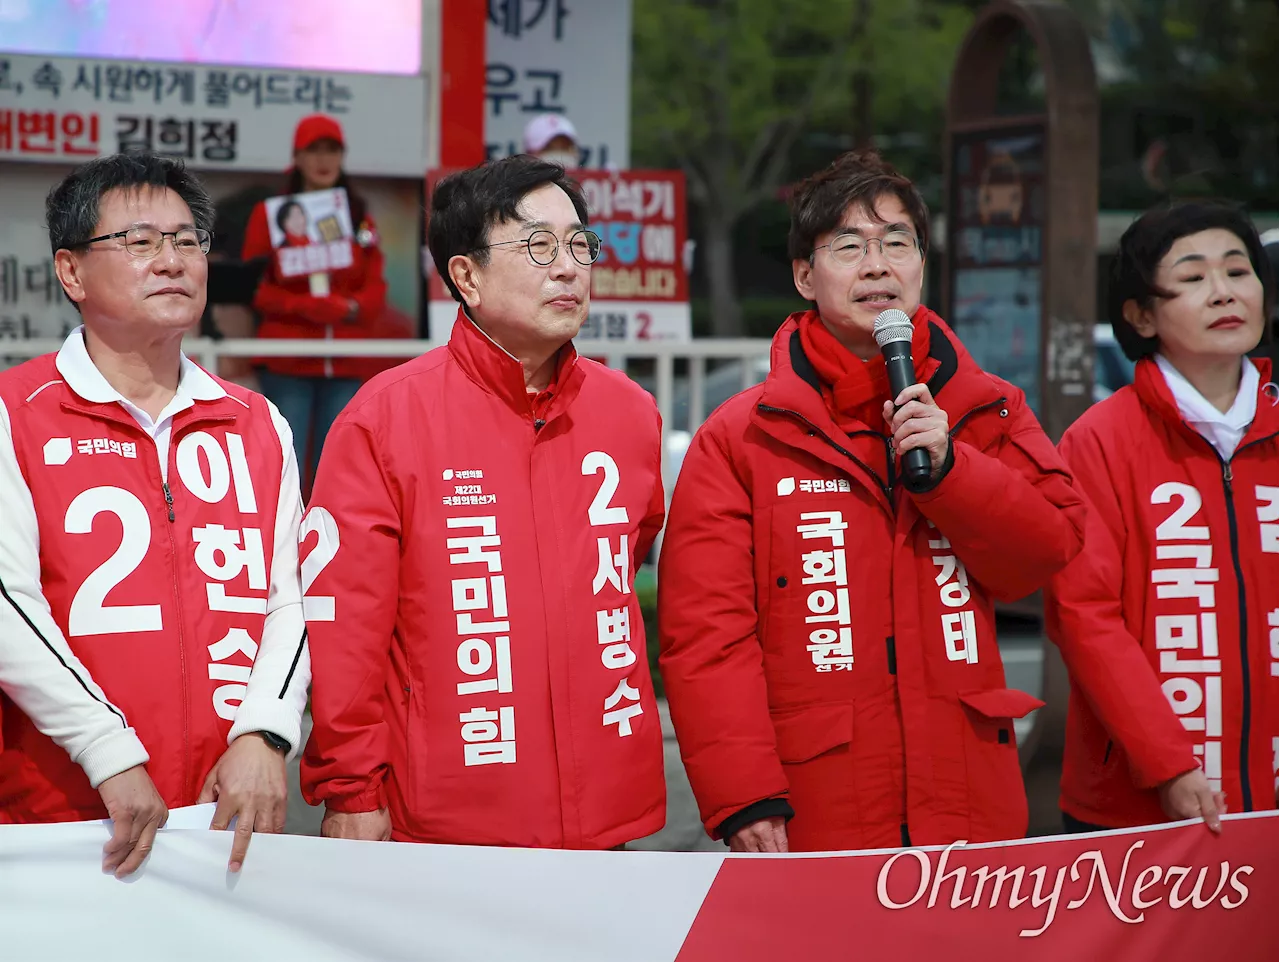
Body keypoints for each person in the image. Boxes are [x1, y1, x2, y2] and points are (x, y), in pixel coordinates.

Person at [658, 149, 1087, 853]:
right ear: (805, 275)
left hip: (967, 798)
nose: (878, 265)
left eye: (897, 243)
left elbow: (1047, 552)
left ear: (922, 265)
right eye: (849, 246)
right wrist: (743, 793)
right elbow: (707, 635)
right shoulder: (742, 438)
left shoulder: (987, 410)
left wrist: (953, 470)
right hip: (818, 807)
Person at [299, 155, 667, 848]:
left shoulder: (629, 413)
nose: (567, 267)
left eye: (578, 243)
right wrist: (351, 789)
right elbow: (345, 629)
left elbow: (622, 568)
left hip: (607, 813)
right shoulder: (386, 417)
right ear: (466, 276)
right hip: (448, 823)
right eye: (537, 245)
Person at [0, 152, 310, 876]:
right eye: (140, 243)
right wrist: (107, 753)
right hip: (65, 821)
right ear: (71, 272)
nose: (171, 260)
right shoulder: (16, 413)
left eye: (187, 240)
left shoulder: (257, 422)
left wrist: (266, 734)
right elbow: (7, 603)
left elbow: (292, 598)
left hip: (227, 819)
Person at [1044, 201, 1280, 834]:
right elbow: (1084, 616)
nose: (1224, 293)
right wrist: (1167, 764)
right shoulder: (1101, 439)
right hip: (1138, 808)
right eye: (1194, 277)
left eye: (1239, 271)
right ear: (1141, 315)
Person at [241, 114, 389, 485]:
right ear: (297, 157)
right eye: (314, 150)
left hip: (345, 361)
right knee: (284, 467)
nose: (323, 160)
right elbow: (252, 286)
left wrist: (350, 307)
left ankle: (330, 542)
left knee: (338, 470)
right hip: (288, 359)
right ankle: (284, 542)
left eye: (332, 150)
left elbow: (375, 285)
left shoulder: (359, 219)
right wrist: (302, 307)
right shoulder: (270, 215)